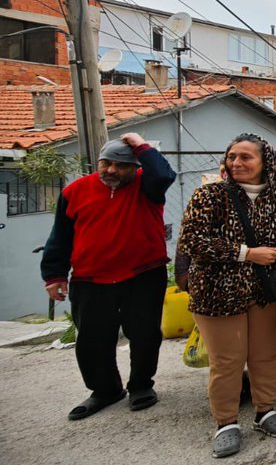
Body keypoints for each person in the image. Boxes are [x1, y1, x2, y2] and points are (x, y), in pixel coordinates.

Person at [179, 134, 276, 457]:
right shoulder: (209, 195)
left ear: (265, 161)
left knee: (264, 355)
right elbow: (192, 242)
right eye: (232, 156)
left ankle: (266, 411)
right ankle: (226, 422)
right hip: (217, 293)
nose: (237, 163)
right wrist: (246, 253)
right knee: (227, 361)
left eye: (246, 157)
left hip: (265, 290)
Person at [41, 133, 176, 421]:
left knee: (144, 334)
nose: (112, 170)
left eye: (121, 165)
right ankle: (105, 390)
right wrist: (54, 274)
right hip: (90, 278)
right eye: (106, 163)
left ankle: (141, 385)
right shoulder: (75, 191)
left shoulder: (147, 186)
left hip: (142, 273)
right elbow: (60, 237)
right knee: (92, 339)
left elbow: (164, 173)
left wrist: (141, 145)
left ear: (135, 167)